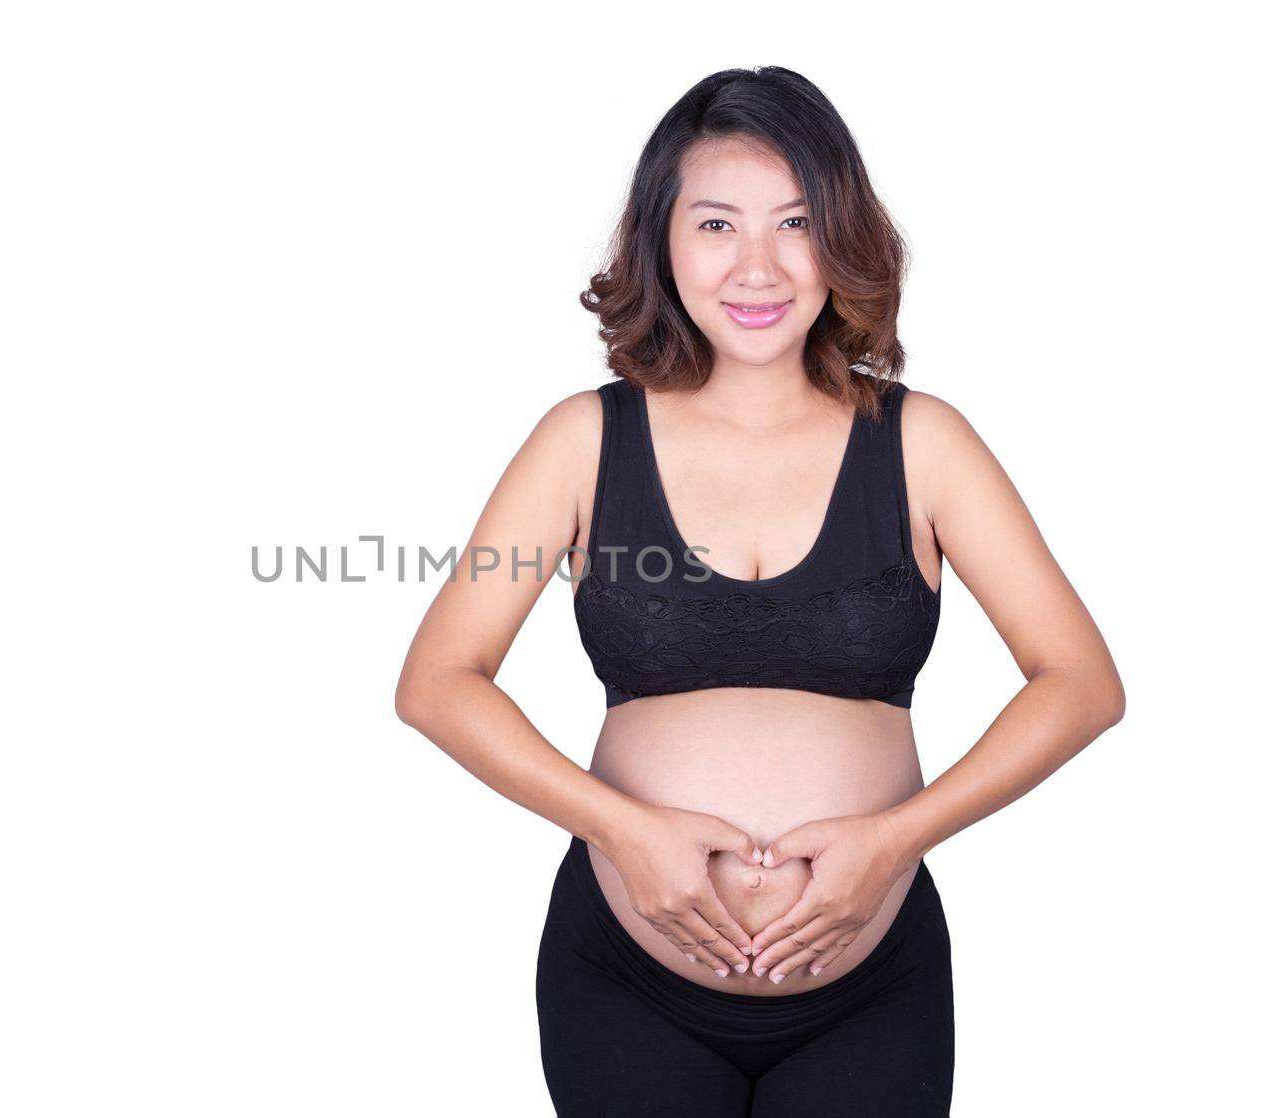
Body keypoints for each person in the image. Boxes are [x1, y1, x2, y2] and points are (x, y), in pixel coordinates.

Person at [393, 66, 1124, 1117]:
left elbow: (1081, 681)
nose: (758, 264)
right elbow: (437, 681)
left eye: (794, 221)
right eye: (716, 223)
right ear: (661, 240)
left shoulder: (923, 443)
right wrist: (621, 829)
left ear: (842, 235)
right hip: (623, 980)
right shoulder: (582, 441)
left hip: (872, 991)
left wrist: (897, 836)